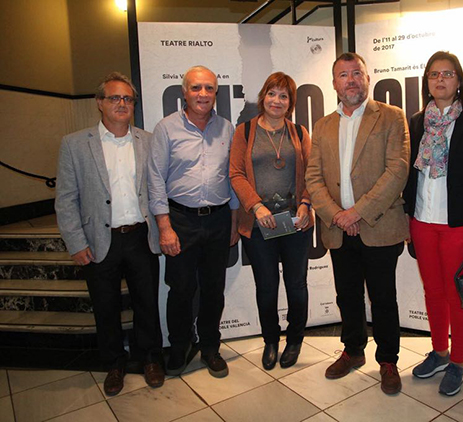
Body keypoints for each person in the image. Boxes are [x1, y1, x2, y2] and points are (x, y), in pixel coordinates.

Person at [305, 52, 410, 395]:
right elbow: (313, 177)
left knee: (383, 298)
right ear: (334, 83)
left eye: (356, 73)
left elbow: (397, 171)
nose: (350, 80)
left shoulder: (391, 117)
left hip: (378, 226)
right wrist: (337, 214)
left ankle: (388, 360)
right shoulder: (323, 125)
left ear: (367, 78)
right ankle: (353, 351)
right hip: (338, 228)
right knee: (347, 295)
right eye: (343, 75)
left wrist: (358, 212)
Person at [55, 72, 164, 396]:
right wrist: (76, 243)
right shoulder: (75, 144)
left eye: (128, 99)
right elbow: (65, 199)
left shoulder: (148, 140)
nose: (122, 103)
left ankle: (150, 359)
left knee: (147, 303)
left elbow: (158, 189)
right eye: (114, 98)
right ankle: (114, 364)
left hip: (141, 236)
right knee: (105, 306)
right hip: (99, 240)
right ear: (99, 103)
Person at [402, 51, 463, 396]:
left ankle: (458, 361)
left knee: (459, 296)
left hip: (460, 222)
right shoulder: (417, 121)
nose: (440, 80)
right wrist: (406, 214)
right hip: (422, 219)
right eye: (433, 74)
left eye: (447, 74)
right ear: (426, 82)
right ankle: (439, 352)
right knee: (433, 291)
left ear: (459, 81)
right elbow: (409, 172)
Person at [148, 65, 240, 378]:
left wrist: (234, 221)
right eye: (196, 88)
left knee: (214, 288)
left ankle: (211, 347)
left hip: (218, 219)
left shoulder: (226, 128)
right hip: (180, 221)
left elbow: (231, 177)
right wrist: (164, 227)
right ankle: (180, 346)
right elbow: (155, 179)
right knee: (181, 289)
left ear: (216, 93)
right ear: (184, 92)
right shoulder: (166, 129)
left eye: (209, 88)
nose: (203, 94)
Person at [229, 72, 313, 370]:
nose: (276, 100)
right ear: (263, 97)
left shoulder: (300, 132)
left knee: (296, 284)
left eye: (284, 96)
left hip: (295, 222)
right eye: (272, 93)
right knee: (266, 286)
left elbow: (312, 174)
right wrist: (256, 207)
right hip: (259, 224)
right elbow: (236, 173)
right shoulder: (245, 131)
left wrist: (306, 204)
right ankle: (271, 340)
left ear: (290, 103)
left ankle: (295, 339)